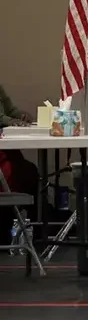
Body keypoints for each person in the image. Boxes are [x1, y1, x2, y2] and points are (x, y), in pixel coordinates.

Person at [0, 85, 40, 246]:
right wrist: (11, 121)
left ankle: (37, 233)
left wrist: (21, 116)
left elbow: (10, 109)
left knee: (29, 171)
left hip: (6, 149)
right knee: (15, 174)